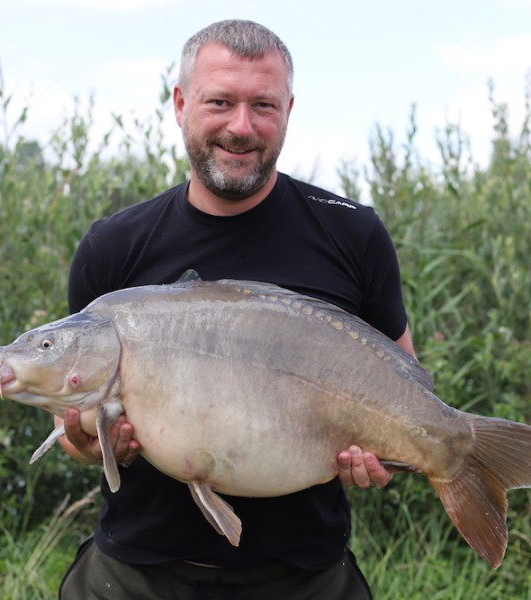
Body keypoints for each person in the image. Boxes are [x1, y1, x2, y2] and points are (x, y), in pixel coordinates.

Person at [57, 19, 416, 599]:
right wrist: (87, 442)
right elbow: (73, 420)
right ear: (179, 103)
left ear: (289, 109)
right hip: (134, 576)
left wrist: (393, 457)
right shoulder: (115, 246)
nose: (241, 127)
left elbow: (403, 387)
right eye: (219, 101)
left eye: (263, 105)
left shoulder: (352, 233)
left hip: (306, 578)